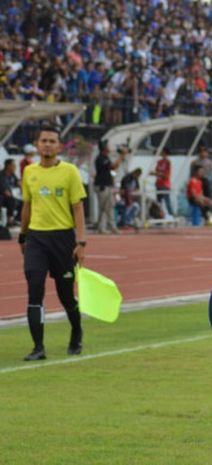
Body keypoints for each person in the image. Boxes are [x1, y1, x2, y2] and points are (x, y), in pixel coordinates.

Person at [18, 124, 86, 361]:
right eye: (43, 140)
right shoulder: (29, 172)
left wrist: (81, 242)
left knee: (66, 295)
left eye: (52, 141)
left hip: (63, 239)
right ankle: (38, 347)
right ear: (37, 145)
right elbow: (27, 205)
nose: (47, 144)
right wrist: (23, 235)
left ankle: (76, 332)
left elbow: (78, 208)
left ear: (58, 146)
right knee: (34, 289)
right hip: (37, 238)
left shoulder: (69, 172)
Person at [94, 144, 127, 234]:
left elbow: (113, 167)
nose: (109, 148)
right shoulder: (101, 158)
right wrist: (121, 156)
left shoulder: (106, 158)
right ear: (104, 149)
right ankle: (107, 227)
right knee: (105, 207)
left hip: (107, 185)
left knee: (107, 207)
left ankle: (103, 227)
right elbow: (112, 166)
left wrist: (121, 157)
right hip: (102, 186)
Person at [151, 147, 173, 216]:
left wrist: (156, 174)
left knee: (167, 201)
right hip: (159, 184)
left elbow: (166, 175)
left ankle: (171, 215)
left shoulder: (168, 162)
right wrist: (156, 174)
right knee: (159, 202)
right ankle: (159, 215)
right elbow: (157, 172)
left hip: (165, 184)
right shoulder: (159, 162)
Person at [1, 158, 22, 225]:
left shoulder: (13, 175)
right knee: (11, 199)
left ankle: (17, 219)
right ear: (8, 166)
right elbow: (3, 189)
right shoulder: (1, 175)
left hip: (13, 195)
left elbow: (19, 183)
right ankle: (10, 219)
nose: (15, 167)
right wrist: (7, 192)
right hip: (4, 196)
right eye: (13, 165)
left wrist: (20, 185)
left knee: (25, 201)